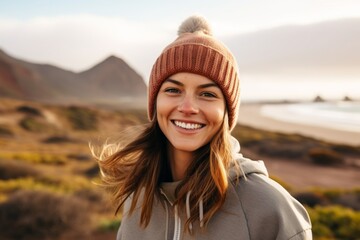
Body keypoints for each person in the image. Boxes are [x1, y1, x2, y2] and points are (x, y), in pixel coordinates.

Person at [93, 15, 312, 240]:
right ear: (155, 101)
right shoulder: (137, 198)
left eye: (207, 94)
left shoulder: (270, 208)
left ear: (226, 112)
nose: (188, 107)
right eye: (173, 90)